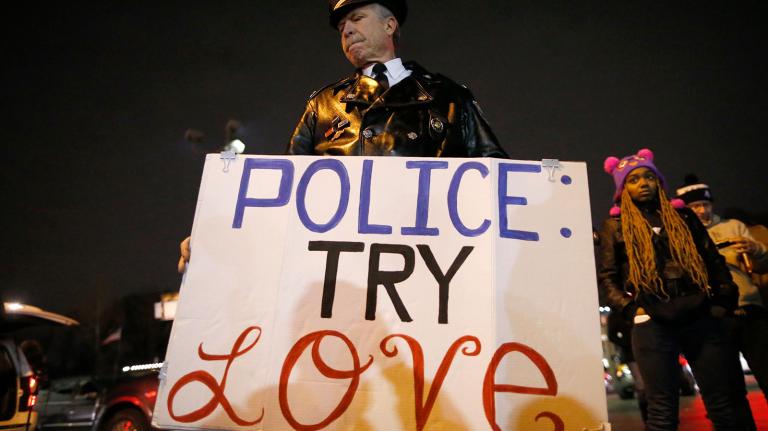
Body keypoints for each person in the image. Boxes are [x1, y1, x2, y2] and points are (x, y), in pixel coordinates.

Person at [179, 0, 508, 271]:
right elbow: (283, 193)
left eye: (357, 18)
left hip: (435, 267)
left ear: (390, 25)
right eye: (341, 28)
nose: (347, 30)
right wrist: (220, 239)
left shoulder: (450, 98)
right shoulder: (322, 106)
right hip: (342, 276)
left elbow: (499, 182)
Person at [596, 149, 754, 430]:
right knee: (662, 410)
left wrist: (721, 301)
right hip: (652, 321)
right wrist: (633, 309)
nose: (643, 183)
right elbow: (608, 277)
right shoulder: (614, 227)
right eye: (633, 180)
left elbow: (712, 261)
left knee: (722, 403)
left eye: (649, 177)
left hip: (700, 314)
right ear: (622, 189)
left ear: (659, 182)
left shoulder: (684, 217)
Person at [676, 175, 768, 402]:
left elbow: (761, 265)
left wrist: (756, 249)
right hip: (713, 315)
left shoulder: (734, 226)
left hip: (749, 309)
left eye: (705, 204)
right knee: (730, 387)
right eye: (695, 206)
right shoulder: (682, 236)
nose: (701, 210)